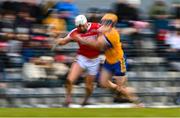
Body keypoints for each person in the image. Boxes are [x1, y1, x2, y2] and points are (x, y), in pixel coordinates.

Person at [73, 13, 142, 106]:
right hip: (109, 60)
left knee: (120, 88)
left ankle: (137, 102)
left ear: (111, 25)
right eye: (103, 22)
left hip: (118, 61)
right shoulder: (103, 30)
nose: (104, 24)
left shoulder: (112, 34)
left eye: (107, 23)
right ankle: (120, 89)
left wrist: (82, 39)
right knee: (103, 83)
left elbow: (98, 45)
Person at [55, 15, 101, 106]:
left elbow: (107, 34)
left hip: (94, 60)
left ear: (86, 23)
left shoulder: (97, 27)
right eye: (78, 26)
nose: (80, 28)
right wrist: (58, 41)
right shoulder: (75, 32)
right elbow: (64, 41)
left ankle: (86, 100)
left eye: (82, 26)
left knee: (88, 86)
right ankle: (68, 99)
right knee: (69, 80)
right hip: (82, 58)